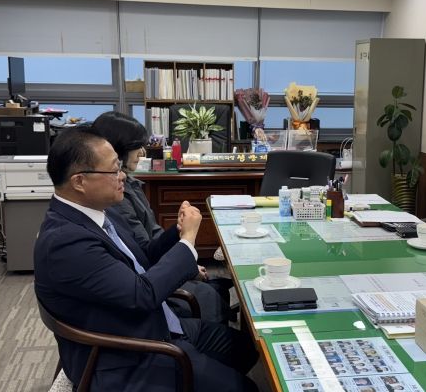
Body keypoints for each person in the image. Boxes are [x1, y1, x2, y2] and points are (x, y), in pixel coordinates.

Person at [34, 126, 258, 392]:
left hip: (153, 324)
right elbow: (142, 295)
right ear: (79, 182)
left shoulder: (98, 212)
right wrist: (188, 242)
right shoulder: (66, 242)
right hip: (127, 356)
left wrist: (177, 232)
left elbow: (144, 257)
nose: (122, 176)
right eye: (113, 171)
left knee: (246, 349)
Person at [91, 111, 231, 323]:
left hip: (154, 272)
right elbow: (144, 255)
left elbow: (153, 237)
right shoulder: (116, 198)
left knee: (218, 289)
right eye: (136, 146)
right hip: (150, 284)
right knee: (215, 296)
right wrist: (185, 247)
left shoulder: (130, 185)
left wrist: (178, 230)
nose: (142, 152)